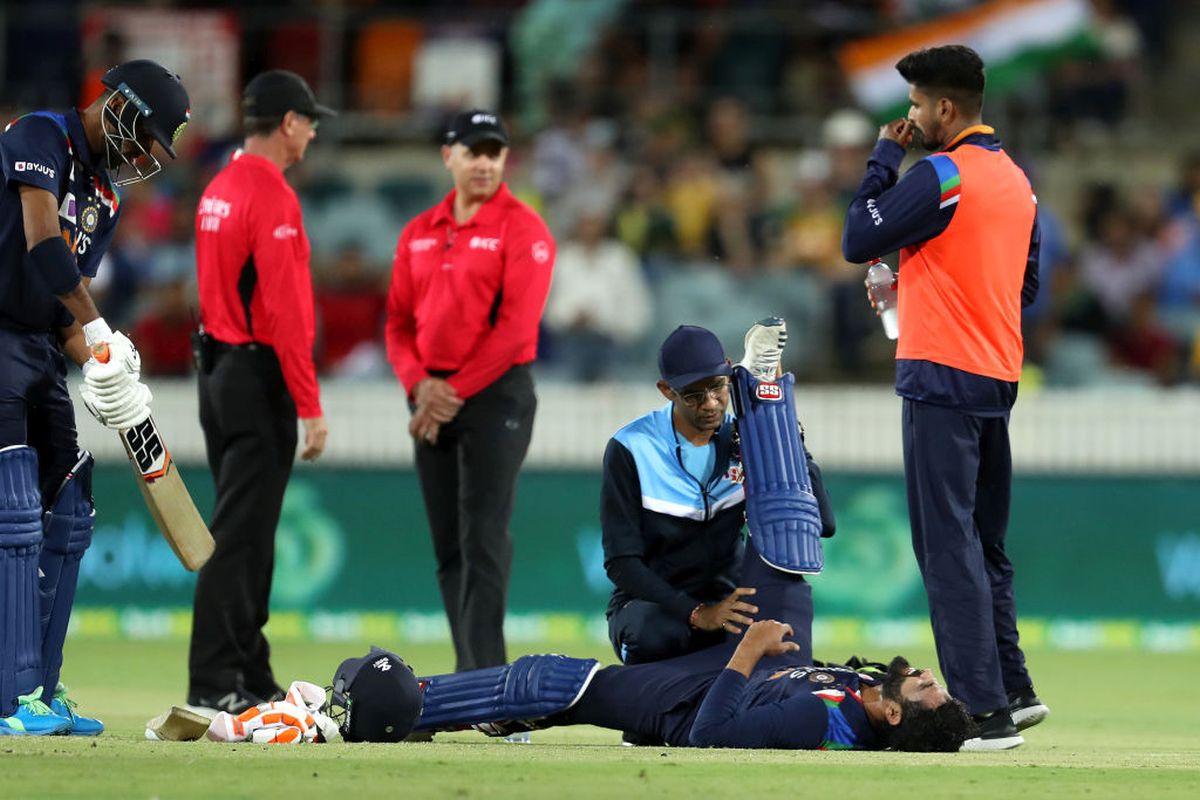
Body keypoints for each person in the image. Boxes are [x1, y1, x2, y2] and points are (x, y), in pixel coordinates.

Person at [841, 45, 1048, 750]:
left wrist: (878, 160)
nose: (910, 117)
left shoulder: (941, 172)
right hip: (996, 374)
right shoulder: (1018, 182)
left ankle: (985, 712)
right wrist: (926, 291)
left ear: (946, 109)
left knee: (946, 545)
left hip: (940, 375)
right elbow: (1023, 286)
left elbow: (858, 235)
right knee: (985, 542)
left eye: (917, 106)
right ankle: (1015, 691)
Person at [338, 537, 974, 752]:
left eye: (923, 684)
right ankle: (782, 451)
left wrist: (747, 652)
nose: (919, 670)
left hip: (688, 701)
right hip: (724, 668)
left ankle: (396, 704)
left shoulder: (819, 718)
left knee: (550, 681)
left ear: (896, 714)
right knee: (787, 574)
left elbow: (709, 735)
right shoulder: (855, 696)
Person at [0, 59, 190, 735]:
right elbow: (44, 248)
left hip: (42, 349)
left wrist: (112, 371)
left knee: (69, 510)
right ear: (117, 107)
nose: (144, 155)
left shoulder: (108, 197)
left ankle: (43, 695)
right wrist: (99, 327)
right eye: (144, 136)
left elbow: (64, 314)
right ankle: (8, 699)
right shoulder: (38, 136)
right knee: (13, 510)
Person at [385, 110, 555, 672]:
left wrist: (444, 393)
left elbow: (514, 332)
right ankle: (472, 674)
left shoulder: (524, 228)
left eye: (495, 152)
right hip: (432, 396)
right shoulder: (418, 233)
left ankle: (489, 683)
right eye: (473, 151)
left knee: (483, 536)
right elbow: (398, 326)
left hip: (495, 395)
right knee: (449, 547)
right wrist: (419, 386)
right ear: (448, 156)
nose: (484, 162)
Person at [187, 70, 334, 714]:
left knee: (245, 530)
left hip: (216, 368)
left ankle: (248, 672)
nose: (313, 131)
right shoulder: (271, 196)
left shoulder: (218, 186)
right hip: (256, 373)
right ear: (289, 124)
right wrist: (309, 404)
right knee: (242, 536)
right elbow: (283, 313)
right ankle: (216, 678)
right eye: (309, 120)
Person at [603, 322, 835, 668]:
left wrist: (783, 429)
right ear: (667, 390)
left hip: (731, 603)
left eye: (718, 388)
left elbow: (823, 523)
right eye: (694, 395)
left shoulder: (746, 437)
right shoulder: (631, 447)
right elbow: (621, 563)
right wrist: (697, 612)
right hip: (659, 608)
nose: (711, 404)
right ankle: (649, 710)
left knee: (785, 645)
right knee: (653, 632)